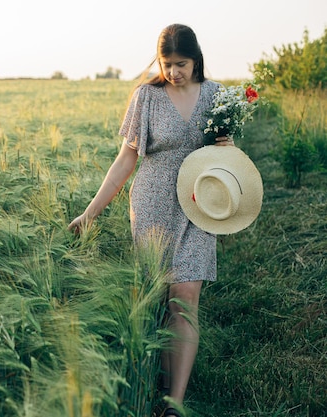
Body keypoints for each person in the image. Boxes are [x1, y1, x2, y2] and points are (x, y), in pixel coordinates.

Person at [67, 24, 233, 417]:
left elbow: (228, 159)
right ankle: (160, 381)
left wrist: (228, 147)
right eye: (167, 63)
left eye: (182, 63)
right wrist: (91, 212)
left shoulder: (217, 95)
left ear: (197, 59)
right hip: (153, 203)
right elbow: (126, 159)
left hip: (199, 204)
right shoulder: (147, 96)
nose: (175, 71)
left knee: (185, 298)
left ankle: (174, 402)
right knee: (161, 299)